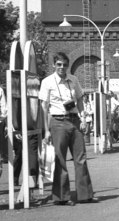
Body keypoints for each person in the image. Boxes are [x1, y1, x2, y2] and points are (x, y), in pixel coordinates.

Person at [38, 52, 97, 205]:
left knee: (81, 158)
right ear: (53, 65)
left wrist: (83, 119)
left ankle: (85, 195)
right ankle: (62, 197)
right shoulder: (47, 82)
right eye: (58, 64)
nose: (62, 67)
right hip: (57, 122)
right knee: (60, 160)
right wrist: (47, 130)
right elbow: (44, 107)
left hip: (74, 120)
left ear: (67, 65)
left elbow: (79, 99)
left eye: (64, 64)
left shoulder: (74, 80)